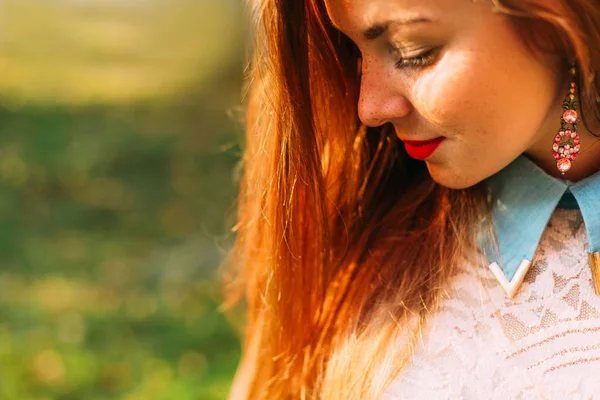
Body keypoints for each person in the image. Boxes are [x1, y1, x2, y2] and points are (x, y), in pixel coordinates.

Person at [222, 0, 600, 398]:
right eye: (352, 52)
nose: (370, 109)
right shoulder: (359, 222)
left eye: (412, 51)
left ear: (562, 19)